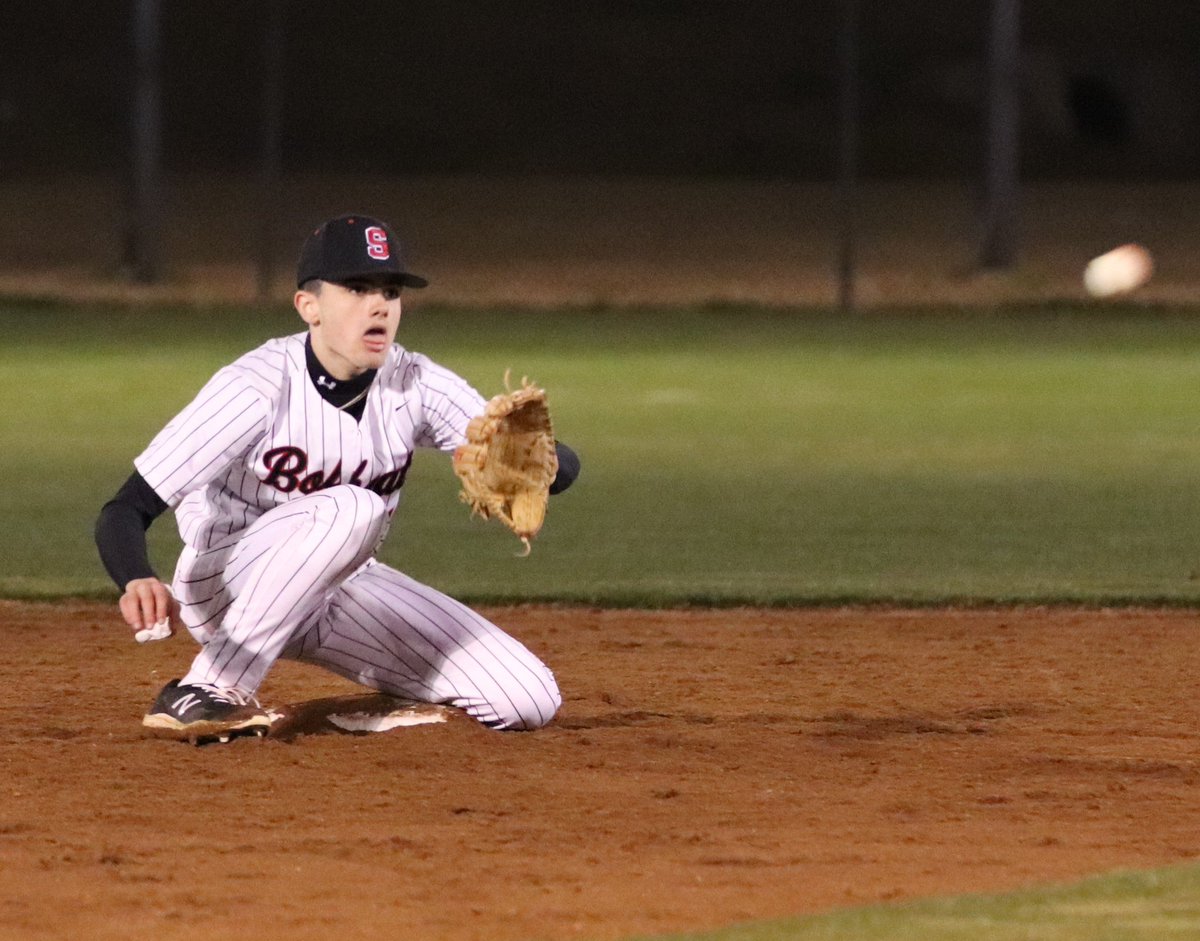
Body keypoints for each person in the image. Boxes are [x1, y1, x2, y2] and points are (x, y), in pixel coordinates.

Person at [95, 214, 578, 744]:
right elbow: (126, 508)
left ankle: (319, 717)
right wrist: (135, 576)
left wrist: (537, 464)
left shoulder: (415, 381)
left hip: (338, 588)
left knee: (526, 698)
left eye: (390, 291)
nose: (379, 306)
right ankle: (207, 689)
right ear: (310, 307)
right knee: (354, 507)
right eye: (357, 288)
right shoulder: (256, 385)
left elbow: (552, 467)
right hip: (226, 585)